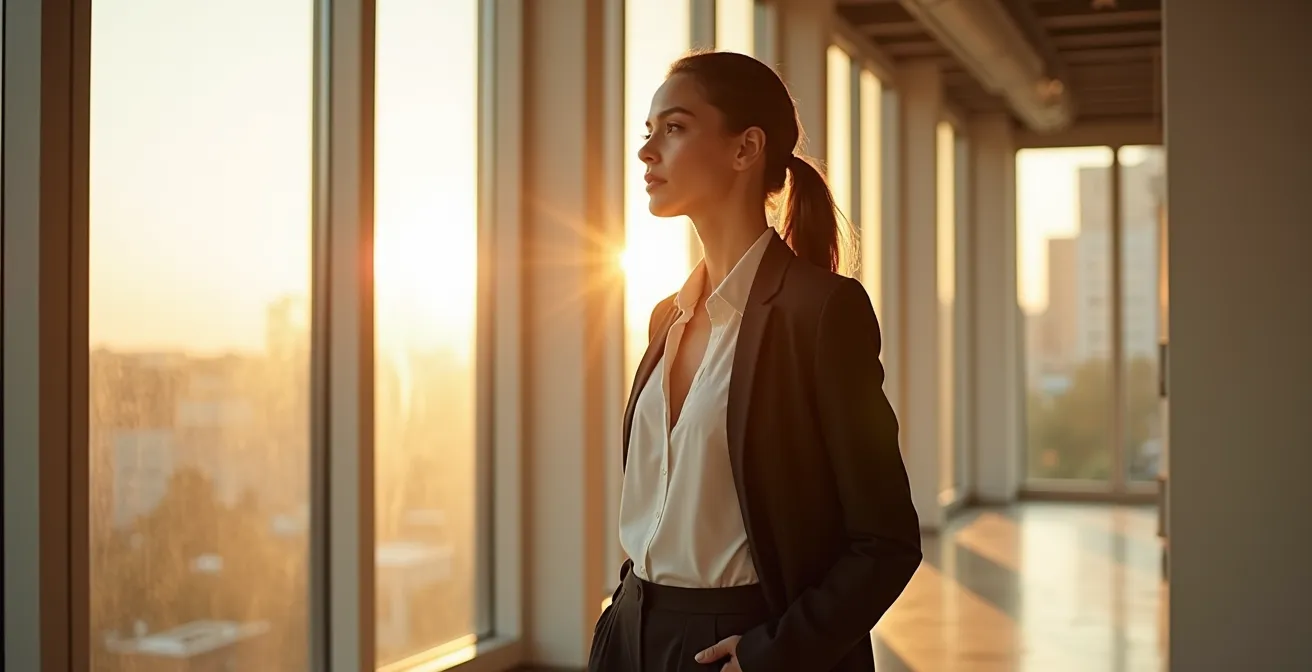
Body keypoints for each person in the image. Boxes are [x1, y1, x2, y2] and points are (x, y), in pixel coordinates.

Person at [587, 51, 922, 672]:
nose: (646, 152)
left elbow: (886, 541)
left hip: (741, 643)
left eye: (675, 127)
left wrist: (774, 654)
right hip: (633, 633)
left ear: (746, 149)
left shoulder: (822, 312)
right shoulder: (668, 316)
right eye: (648, 131)